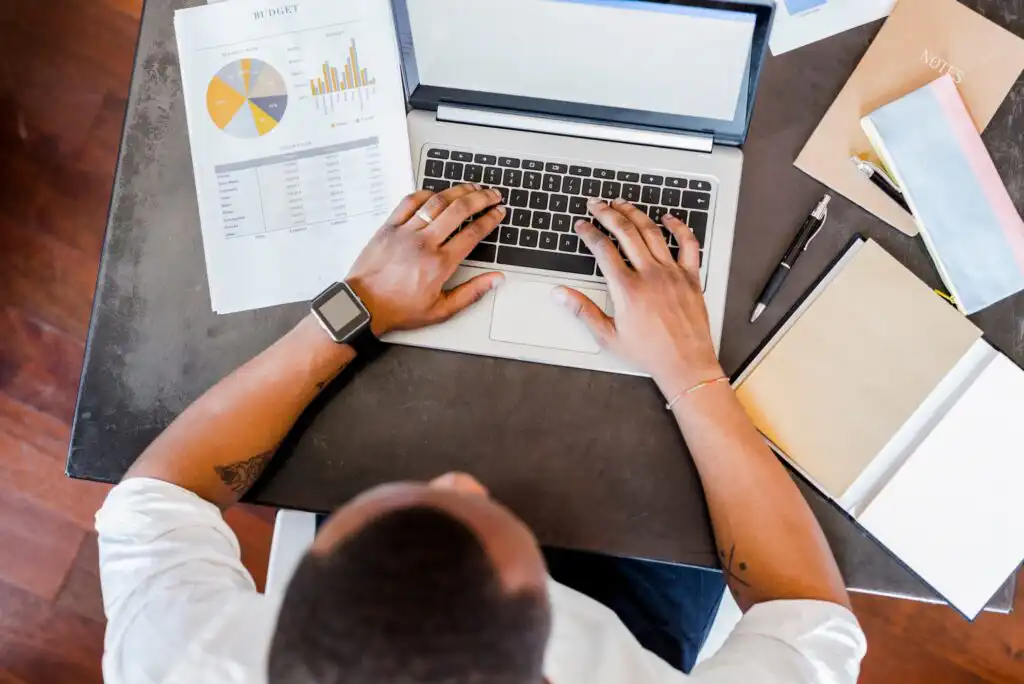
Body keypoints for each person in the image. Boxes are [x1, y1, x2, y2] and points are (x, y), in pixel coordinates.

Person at [95, 184, 866, 684]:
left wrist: (355, 307)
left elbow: (157, 500)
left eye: (397, 516)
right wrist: (692, 371)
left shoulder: (185, 661)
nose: (459, 481)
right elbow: (810, 620)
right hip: (638, 611)